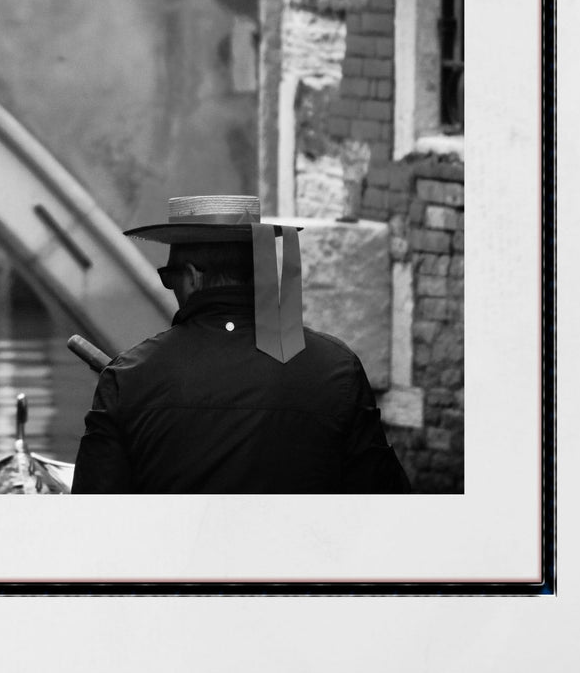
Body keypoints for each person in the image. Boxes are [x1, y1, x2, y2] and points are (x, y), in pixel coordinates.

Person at [72, 194, 410, 493]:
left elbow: (96, 524)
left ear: (192, 277)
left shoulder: (128, 379)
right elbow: (388, 505)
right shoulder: (339, 369)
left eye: (169, 278)